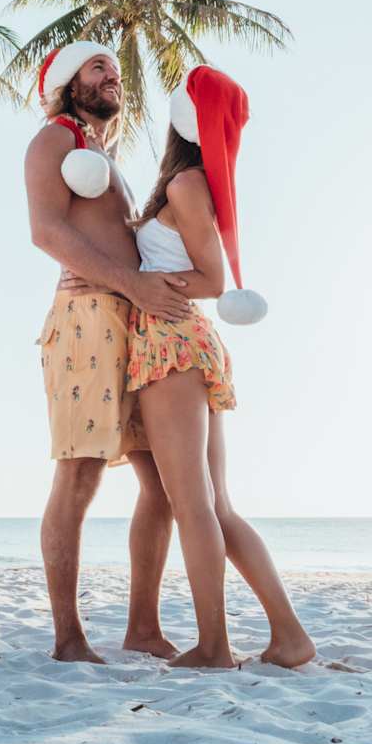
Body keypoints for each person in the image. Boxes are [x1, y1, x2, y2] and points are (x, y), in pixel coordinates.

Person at [125, 65, 315, 669]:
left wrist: (142, 281)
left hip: (170, 342)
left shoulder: (185, 183)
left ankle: (214, 646)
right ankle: (289, 639)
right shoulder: (191, 182)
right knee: (216, 505)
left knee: (196, 504)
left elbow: (212, 279)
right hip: (183, 341)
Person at [23, 40, 191, 663]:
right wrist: (132, 285)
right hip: (86, 316)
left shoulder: (101, 153)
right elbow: (46, 232)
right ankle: (69, 638)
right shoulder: (54, 140)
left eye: (117, 71)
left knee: (164, 480)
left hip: (135, 319)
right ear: (69, 83)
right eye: (98, 68)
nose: (112, 78)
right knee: (79, 474)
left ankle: (142, 629)